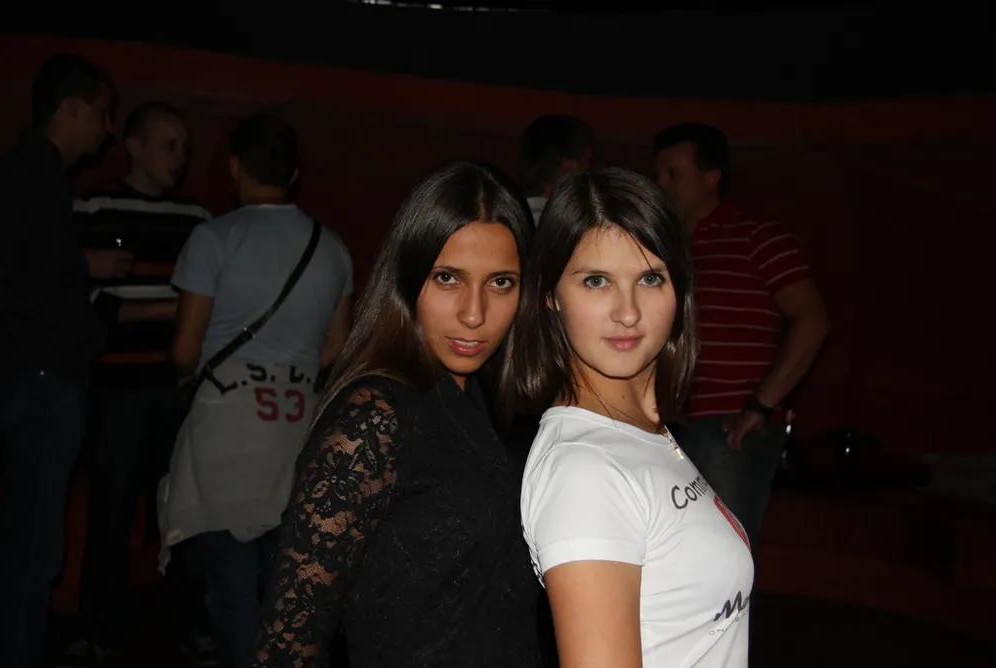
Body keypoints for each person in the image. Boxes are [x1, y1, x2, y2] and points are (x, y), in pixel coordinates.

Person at [254, 160, 542, 667]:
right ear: (407, 279)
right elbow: (285, 648)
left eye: (501, 282)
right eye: (447, 278)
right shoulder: (374, 418)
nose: (474, 313)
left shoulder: (488, 402)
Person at [509, 167, 753, 667]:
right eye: (596, 281)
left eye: (650, 278)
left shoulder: (644, 432)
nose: (628, 312)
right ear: (551, 294)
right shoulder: (585, 470)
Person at [157, 113, 353, 668]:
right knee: (287, 581)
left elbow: (184, 351)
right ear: (293, 173)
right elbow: (337, 347)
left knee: (231, 581)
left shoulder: (213, 238)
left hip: (226, 423)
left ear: (235, 167)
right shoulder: (331, 248)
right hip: (295, 425)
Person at [61, 101, 215, 668]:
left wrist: (136, 311)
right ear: (135, 146)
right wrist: (170, 310)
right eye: (170, 145)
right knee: (111, 511)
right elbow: (76, 302)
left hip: (177, 389)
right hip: (115, 389)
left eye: (185, 148)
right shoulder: (95, 206)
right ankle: (97, 629)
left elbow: (207, 305)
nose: (180, 158)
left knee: (183, 513)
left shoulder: (196, 217)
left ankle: (188, 626)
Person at [0, 53, 127, 668]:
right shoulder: (31, 176)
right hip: (40, 379)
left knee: (27, 545)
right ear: (70, 108)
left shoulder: (28, 173)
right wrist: (84, 270)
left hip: (32, 376)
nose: (106, 128)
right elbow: (23, 279)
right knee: (32, 550)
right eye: (102, 113)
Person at [653, 123, 829, 550]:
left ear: (711, 178)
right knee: (668, 552)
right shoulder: (661, 246)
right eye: (658, 174)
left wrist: (760, 405)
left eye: (674, 174)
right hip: (665, 424)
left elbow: (813, 321)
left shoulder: (759, 236)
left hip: (728, 426)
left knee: (720, 551)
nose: (662, 184)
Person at [519, 114, 594, 223]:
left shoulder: (509, 216)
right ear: (567, 164)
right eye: (587, 159)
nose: (588, 169)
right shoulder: (560, 225)